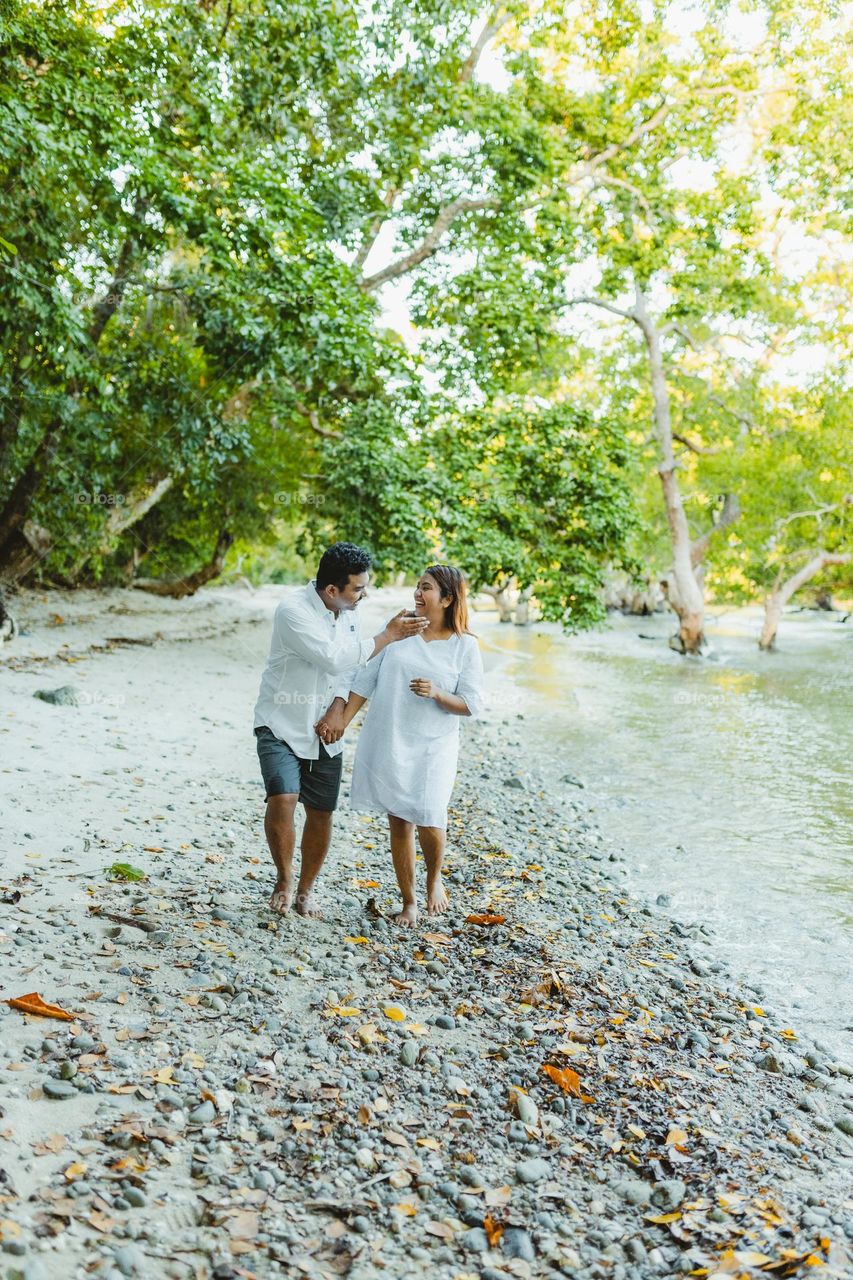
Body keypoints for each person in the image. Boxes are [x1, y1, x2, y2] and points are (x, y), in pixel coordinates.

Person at [253, 542, 428, 916]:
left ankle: (305, 891)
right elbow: (333, 657)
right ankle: (284, 879)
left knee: (321, 812)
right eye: (358, 589)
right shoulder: (293, 611)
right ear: (332, 590)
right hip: (280, 722)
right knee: (283, 798)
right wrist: (388, 635)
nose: (364, 595)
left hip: (324, 729)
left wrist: (338, 709)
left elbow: (350, 667)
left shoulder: (347, 612)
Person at [341, 564, 485, 927]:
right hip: (393, 736)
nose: (418, 594)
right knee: (400, 819)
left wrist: (437, 693)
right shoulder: (400, 633)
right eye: (418, 587)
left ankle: (434, 878)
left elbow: (470, 704)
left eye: (427, 588)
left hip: (435, 743)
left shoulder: (465, 646)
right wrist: (340, 722)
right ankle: (409, 902)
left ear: (448, 598)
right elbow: (364, 680)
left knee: (431, 815)